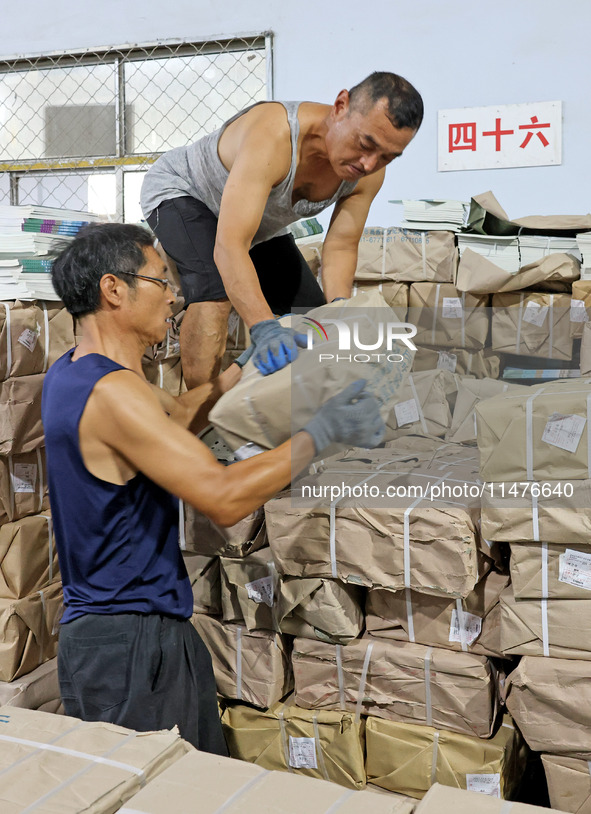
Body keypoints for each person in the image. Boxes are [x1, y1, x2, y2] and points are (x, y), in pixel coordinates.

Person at [41, 222, 386, 753]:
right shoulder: (114, 395)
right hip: (132, 642)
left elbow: (175, 415)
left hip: (129, 632)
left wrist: (241, 370)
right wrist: (320, 434)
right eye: (161, 281)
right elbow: (223, 499)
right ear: (114, 289)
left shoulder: (76, 372)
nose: (175, 299)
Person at [140, 71, 423, 386]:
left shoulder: (368, 174)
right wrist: (264, 327)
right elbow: (230, 246)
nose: (369, 163)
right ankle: (198, 417)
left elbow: (341, 246)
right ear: (341, 105)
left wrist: (339, 310)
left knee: (311, 317)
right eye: (365, 143)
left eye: (387, 157)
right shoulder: (274, 133)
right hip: (185, 193)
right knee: (214, 290)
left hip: (256, 222)